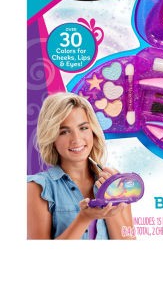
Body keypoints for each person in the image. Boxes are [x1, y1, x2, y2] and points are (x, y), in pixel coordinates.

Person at [27, 92, 135, 239]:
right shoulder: (38, 188)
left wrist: (110, 197)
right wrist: (84, 218)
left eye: (83, 128)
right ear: (52, 138)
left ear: (93, 131)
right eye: (64, 132)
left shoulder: (115, 180)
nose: (76, 139)